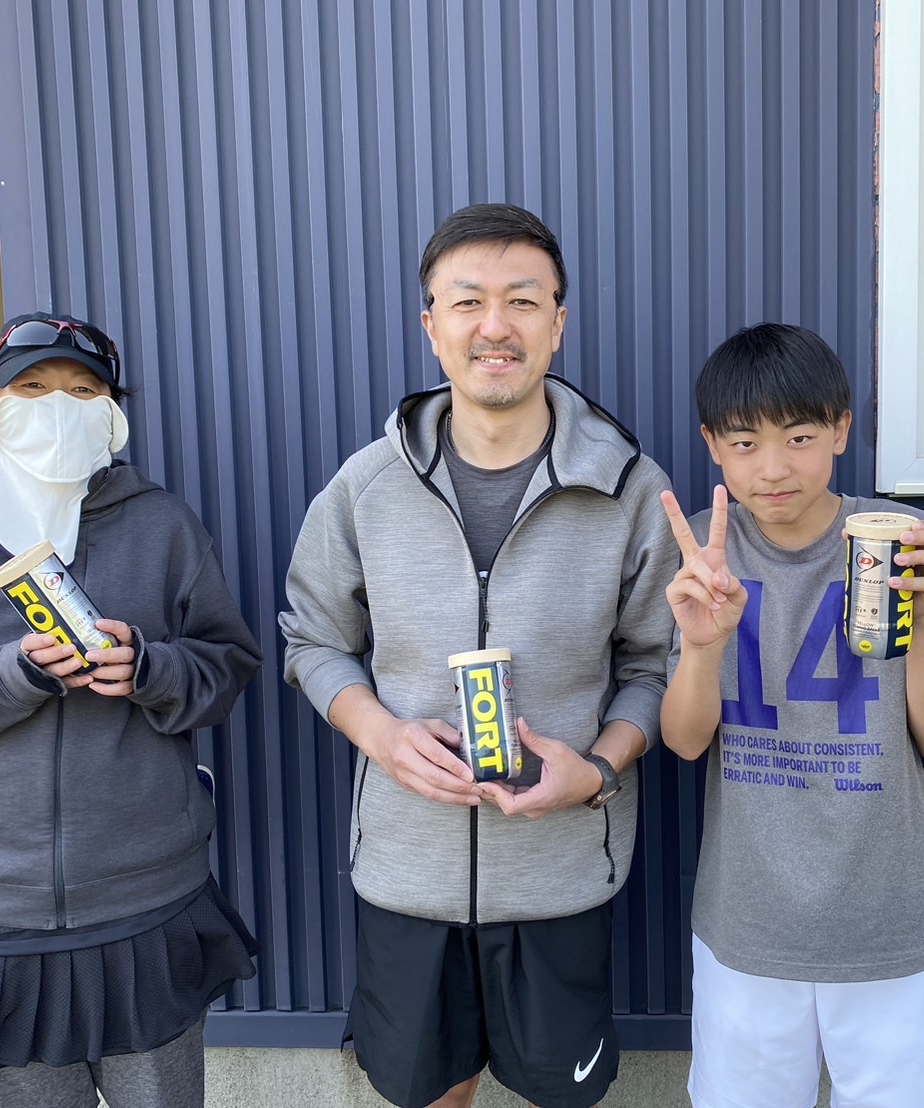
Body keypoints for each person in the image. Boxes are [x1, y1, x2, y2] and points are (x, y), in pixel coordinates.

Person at [279, 203, 675, 1108]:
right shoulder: (366, 485)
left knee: (559, 1094)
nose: (495, 326)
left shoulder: (626, 487)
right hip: (406, 873)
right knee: (430, 1094)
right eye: (467, 302)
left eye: (522, 301)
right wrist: (378, 734)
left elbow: (657, 663)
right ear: (432, 326)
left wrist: (600, 769)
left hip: (559, 871)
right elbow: (312, 636)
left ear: (557, 322)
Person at [0, 312, 262, 1108]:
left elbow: (227, 669)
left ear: (111, 415)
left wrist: (150, 668)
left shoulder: (162, 526)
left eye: (82, 392)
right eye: (31, 388)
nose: (56, 408)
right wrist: (9, 676)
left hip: (148, 899)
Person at [659, 323, 924, 1108]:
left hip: (890, 924)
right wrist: (701, 648)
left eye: (799, 437)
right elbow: (683, 742)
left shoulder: (908, 543)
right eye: (744, 443)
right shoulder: (697, 555)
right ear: (712, 446)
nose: (773, 467)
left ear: (841, 431)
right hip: (745, 927)